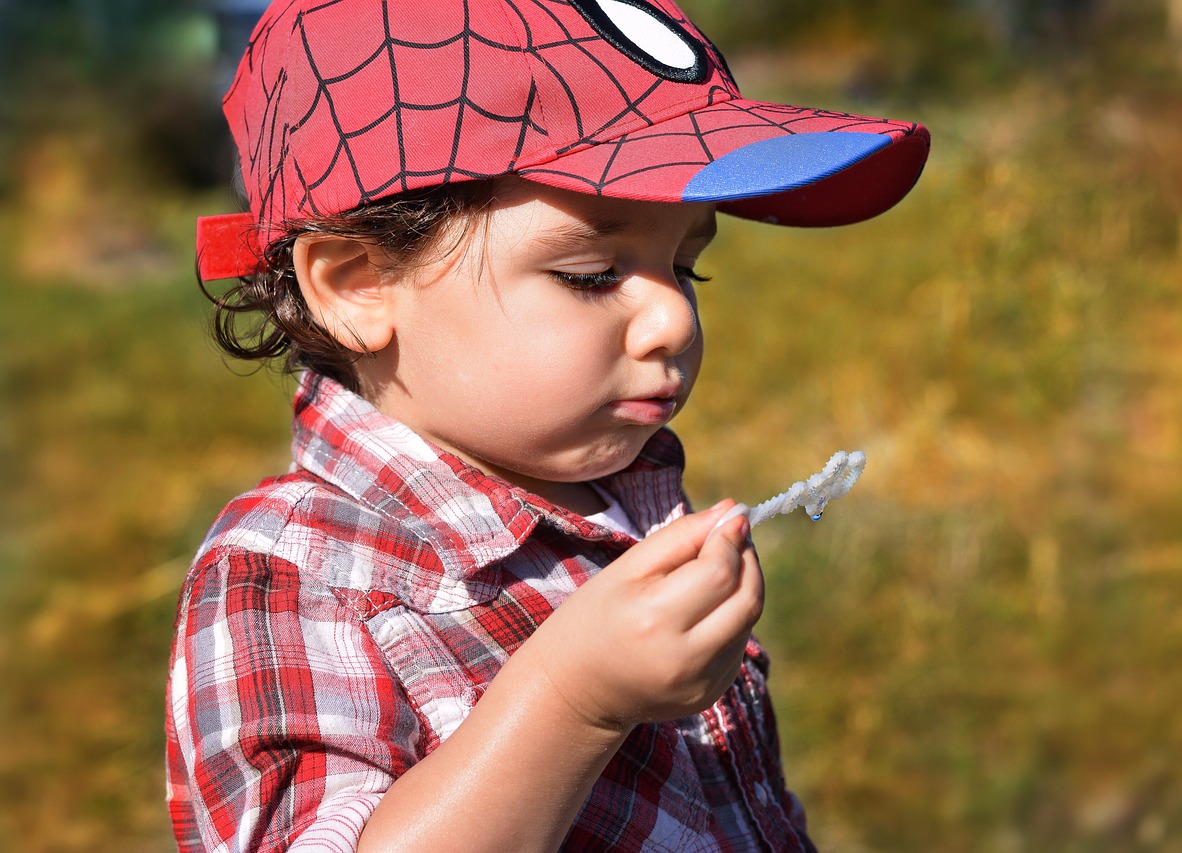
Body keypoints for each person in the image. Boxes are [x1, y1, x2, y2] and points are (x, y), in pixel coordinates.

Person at [164, 0, 930, 850]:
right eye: (591, 272)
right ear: (357, 284)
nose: (672, 320)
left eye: (686, 266)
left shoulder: (614, 509)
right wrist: (572, 700)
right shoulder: (298, 575)